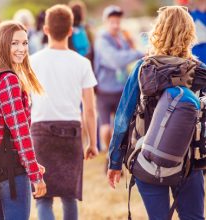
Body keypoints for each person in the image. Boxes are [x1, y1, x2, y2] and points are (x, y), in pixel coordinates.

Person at [107, 6, 205, 219]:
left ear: (157, 31)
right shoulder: (200, 72)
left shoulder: (144, 68)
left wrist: (115, 162)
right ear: (189, 34)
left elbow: (123, 119)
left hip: (146, 160)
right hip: (188, 163)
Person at [30, 5, 98, 220]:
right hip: (71, 132)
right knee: (69, 196)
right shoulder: (82, 63)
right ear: (71, 31)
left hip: (40, 132)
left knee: (42, 197)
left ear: (46, 29)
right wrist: (93, 143)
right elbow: (89, 108)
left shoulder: (31, 62)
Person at [0, 20, 47, 220]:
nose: (21, 49)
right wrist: (35, 175)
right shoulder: (8, 80)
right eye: (14, 43)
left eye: (25, 43)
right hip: (10, 172)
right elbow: (19, 131)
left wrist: (33, 163)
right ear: (3, 44)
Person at [94, 5, 143, 152]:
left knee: (121, 125)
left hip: (121, 88)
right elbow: (116, 60)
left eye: (118, 21)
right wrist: (138, 53)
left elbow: (128, 54)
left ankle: (116, 153)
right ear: (105, 22)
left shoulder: (121, 37)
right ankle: (110, 154)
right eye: (112, 22)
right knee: (106, 126)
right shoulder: (101, 40)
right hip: (104, 90)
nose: (116, 25)